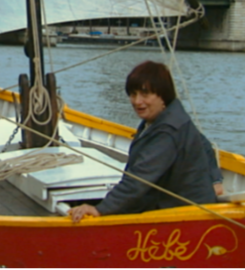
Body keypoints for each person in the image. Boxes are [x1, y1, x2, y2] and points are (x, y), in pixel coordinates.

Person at [69, 61, 218, 223]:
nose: (137, 101)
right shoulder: (173, 117)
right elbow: (205, 145)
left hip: (183, 215)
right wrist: (216, 179)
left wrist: (101, 209)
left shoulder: (167, 130)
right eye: (133, 94)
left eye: (145, 94)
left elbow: (139, 178)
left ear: (163, 96)